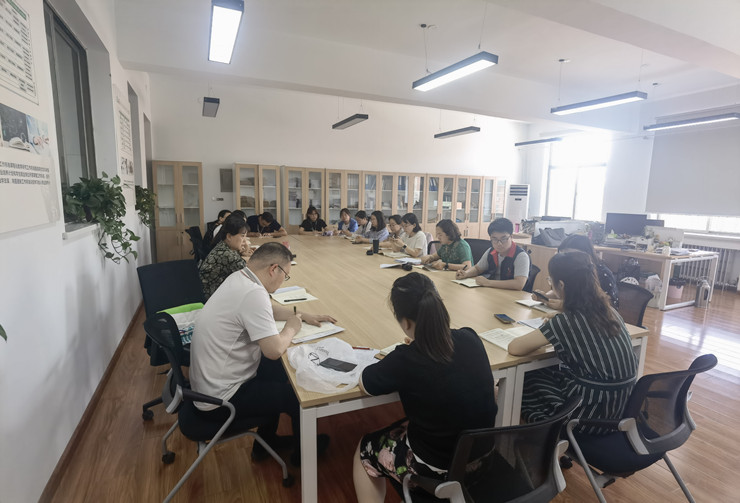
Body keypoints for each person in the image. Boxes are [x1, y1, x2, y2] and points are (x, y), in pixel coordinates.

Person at [353, 273, 497, 502]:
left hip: (437, 469)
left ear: (405, 323)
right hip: (485, 458)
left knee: (365, 449)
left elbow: (365, 382)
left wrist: (406, 351)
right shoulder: (470, 337)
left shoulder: (406, 358)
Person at [189, 242, 336, 465]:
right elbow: (274, 350)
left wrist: (301, 314)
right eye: (286, 275)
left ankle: (265, 444)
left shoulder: (239, 278)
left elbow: (268, 309)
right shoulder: (253, 293)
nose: (284, 280)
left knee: (281, 373)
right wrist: (292, 328)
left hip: (208, 386)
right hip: (221, 400)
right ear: (274, 269)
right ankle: (303, 456)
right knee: (298, 397)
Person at [508, 251, 637, 434]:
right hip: (621, 410)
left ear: (561, 285)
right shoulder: (609, 311)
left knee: (528, 377)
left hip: (589, 416)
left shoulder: (567, 322)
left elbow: (515, 348)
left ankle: (538, 438)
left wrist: (554, 324)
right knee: (552, 370)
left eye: (550, 280)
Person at [533, 234, 619, 309]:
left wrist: (564, 305)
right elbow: (563, 290)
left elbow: (601, 307)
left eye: (570, 256)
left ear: (585, 255)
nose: (565, 260)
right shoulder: (568, 268)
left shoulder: (601, 274)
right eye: (562, 255)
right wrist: (547, 296)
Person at [454, 217, 530, 290]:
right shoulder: (491, 251)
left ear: (511, 237)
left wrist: (488, 282)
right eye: (495, 239)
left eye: (503, 239)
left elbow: (519, 284)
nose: (499, 243)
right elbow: (477, 269)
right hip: (494, 291)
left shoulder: (520, 256)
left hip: (513, 295)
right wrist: (466, 273)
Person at [199, 215, 254, 300]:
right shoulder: (228, 255)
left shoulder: (223, 245)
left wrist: (243, 251)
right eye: (242, 236)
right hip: (212, 298)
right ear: (229, 236)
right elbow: (249, 276)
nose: (245, 241)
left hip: (210, 293)